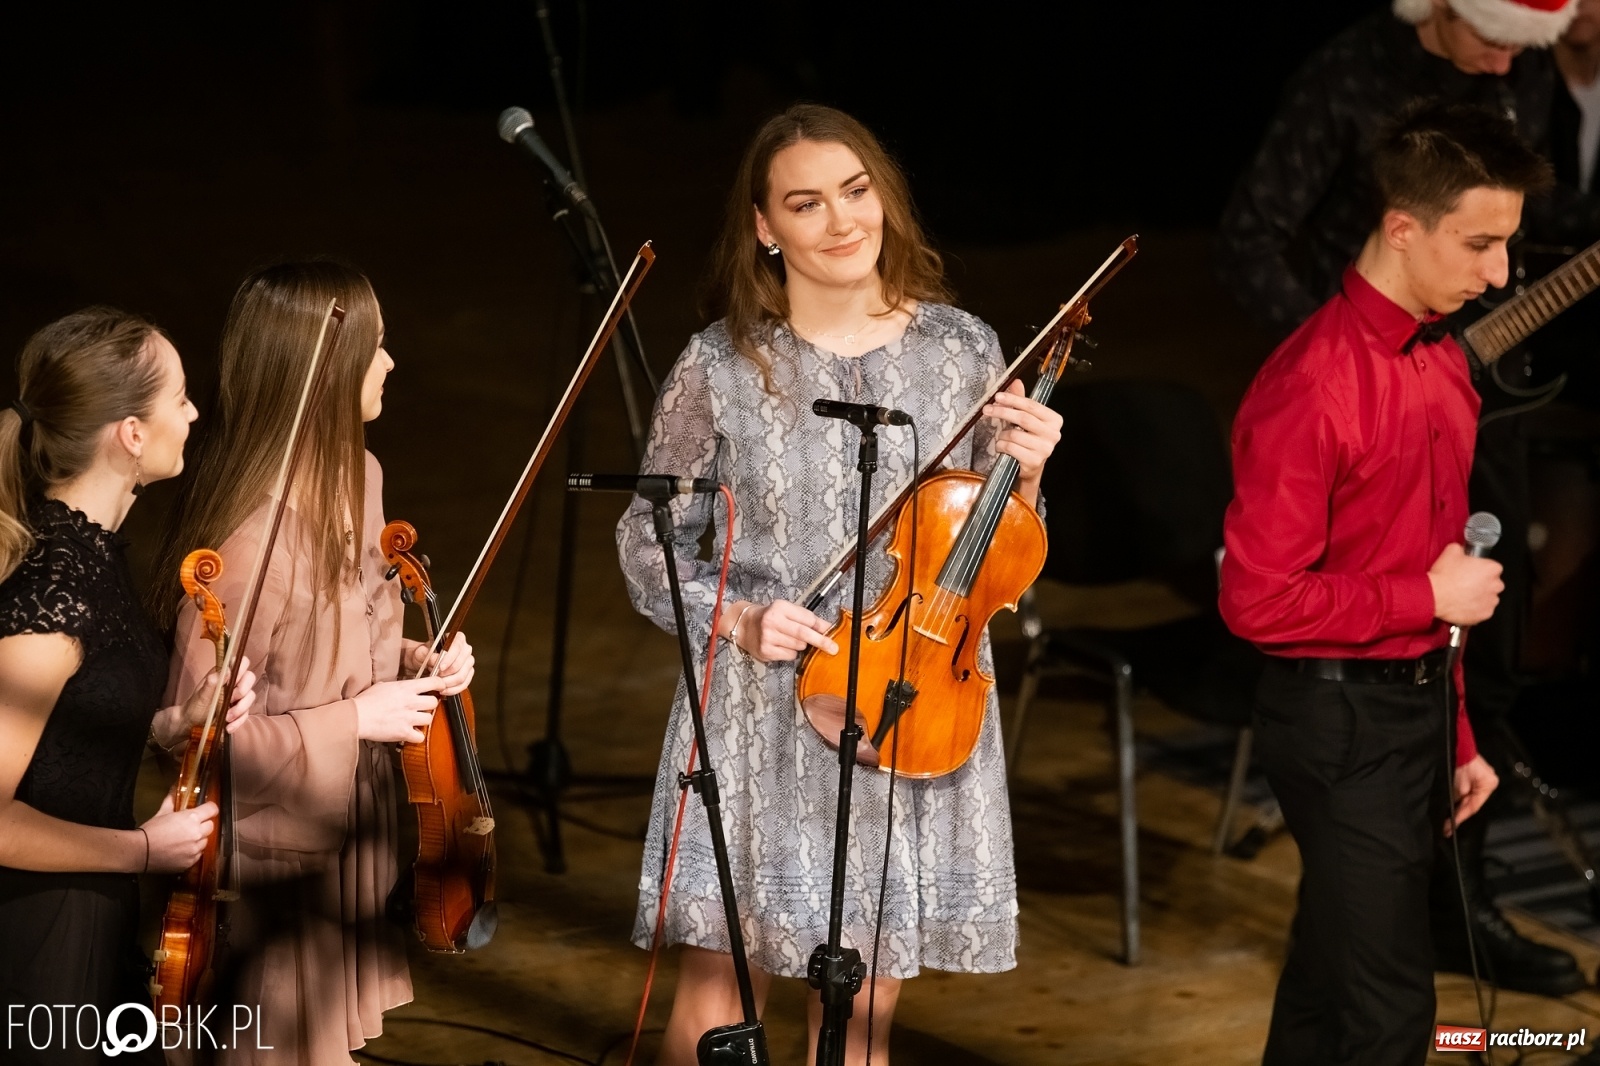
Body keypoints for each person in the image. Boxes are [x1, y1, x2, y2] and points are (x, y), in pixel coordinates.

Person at [615, 104, 1063, 1066]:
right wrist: (734, 619)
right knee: (716, 998)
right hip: (756, 710)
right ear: (765, 228)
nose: (843, 221)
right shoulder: (719, 365)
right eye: (807, 204)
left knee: (860, 1012)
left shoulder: (964, 351)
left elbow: (995, 554)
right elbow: (648, 542)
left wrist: (1025, 472)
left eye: (857, 192)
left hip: (905, 703)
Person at [1217, 0, 1595, 998]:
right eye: (1479, 247)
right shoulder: (1317, 387)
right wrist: (1422, 598)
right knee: (1385, 1012)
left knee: (1338, 999)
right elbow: (1258, 600)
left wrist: (1460, 735)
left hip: (1419, 709)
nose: (1500, 274)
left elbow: (1446, 580)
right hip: (1341, 718)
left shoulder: (1445, 373)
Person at [155, 262, 475, 1065]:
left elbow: (346, 639)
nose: (392, 363)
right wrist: (355, 720)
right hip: (274, 865)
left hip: (350, 834)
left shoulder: (360, 476)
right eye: (377, 347)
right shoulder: (249, 541)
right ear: (326, 372)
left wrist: (415, 660)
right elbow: (192, 740)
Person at [0, 308, 255, 1065]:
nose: (195, 412)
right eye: (179, 397)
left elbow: (68, 726)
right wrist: (143, 851)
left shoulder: (95, 555)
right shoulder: (54, 596)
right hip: (38, 936)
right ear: (132, 434)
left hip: (92, 911)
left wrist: (170, 723)